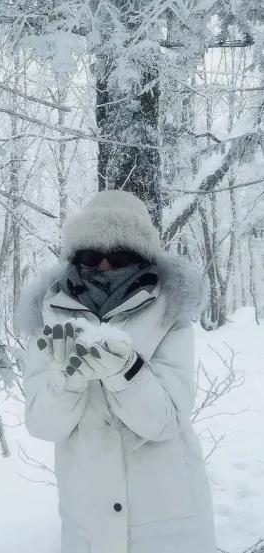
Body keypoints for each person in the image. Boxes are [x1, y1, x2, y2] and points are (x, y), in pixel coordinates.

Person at [16, 190, 216, 553]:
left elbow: (165, 420)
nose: (104, 266)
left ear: (141, 256)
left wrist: (127, 371)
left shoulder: (170, 313)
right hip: (87, 526)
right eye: (92, 254)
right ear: (76, 257)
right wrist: (67, 380)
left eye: (119, 254)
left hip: (167, 524)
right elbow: (41, 424)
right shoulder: (49, 316)